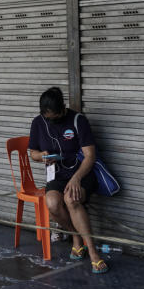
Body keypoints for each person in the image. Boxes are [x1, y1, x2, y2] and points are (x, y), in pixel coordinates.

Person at [27, 86, 107, 274]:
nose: (51, 121)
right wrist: (42, 156)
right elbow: (33, 153)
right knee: (53, 203)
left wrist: (76, 179)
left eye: (55, 117)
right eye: (48, 118)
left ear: (62, 109)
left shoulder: (78, 121)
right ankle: (76, 238)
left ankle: (93, 253)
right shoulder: (38, 123)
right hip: (57, 174)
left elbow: (90, 156)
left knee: (71, 199)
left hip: (82, 173)